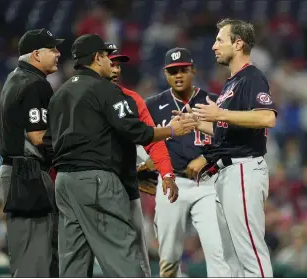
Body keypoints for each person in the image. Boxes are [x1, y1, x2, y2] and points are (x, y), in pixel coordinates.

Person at [47, 34, 196, 277]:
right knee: (123, 255)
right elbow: (134, 131)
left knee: (73, 259)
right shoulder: (106, 90)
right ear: (97, 58)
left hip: (64, 183)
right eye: (107, 56)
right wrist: (172, 130)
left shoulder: (59, 94)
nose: (111, 62)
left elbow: (47, 142)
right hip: (96, 181)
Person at [175, 19, 277, 277]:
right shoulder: (231, 83)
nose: (214, 46)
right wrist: (196, 122)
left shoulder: (251, 77)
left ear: (238, 43)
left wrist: (219, 113)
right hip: (226, 173)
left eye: (220, 39)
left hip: (243, 169)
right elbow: (224, 129)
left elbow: (267, 118)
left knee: (249, 252)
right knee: (230, 257)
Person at [137, 47, 231, 277]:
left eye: (183, 70)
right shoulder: (153, 104)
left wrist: (206, 158)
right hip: (172, 184)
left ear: (193, 71)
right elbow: (138, 138)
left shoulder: (212, 101)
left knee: (217, 250)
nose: (178, 75)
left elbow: (231, 142)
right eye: (172, 71)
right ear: (165, 74)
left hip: (208, 184)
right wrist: (148, 161)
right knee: (168, 257)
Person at [107, 45, 178, 277]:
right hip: (88, 182)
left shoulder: (132, 99)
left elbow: (150, 140)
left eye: (118, 64)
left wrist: (165, 173)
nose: (116, 69)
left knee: (136, 252)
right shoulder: (76, 96)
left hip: (124, 188)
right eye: (111, 62)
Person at [0, 28, 63, 277]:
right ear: (36, 54)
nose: (58, 53)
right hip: (27, 175)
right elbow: (38, 136)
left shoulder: (15, 77)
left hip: (17, 172)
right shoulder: (35, 84)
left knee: (31, 256)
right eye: (52, 49)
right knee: (33, 263)